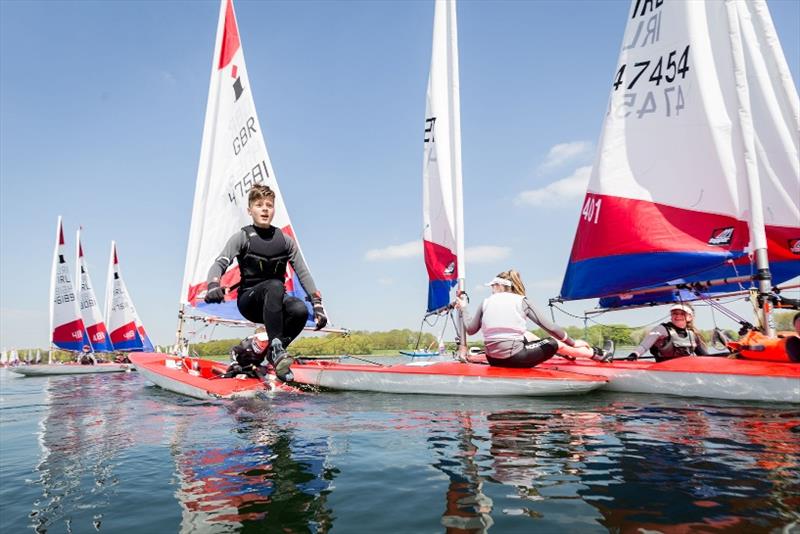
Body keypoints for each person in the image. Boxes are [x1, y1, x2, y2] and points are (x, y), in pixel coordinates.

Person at [204, 184, 326, 381]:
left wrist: (317, 304)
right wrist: (213, 286)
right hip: (249, 301)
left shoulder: (285, 241)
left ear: (274, 209)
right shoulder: (242, 237)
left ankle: (270, 352)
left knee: (299, 310)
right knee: (275, 285)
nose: (265, 209)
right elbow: (219, 263)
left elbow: (303, 271)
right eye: (259, 205)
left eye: (269, 205)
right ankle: (276, 349)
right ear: (249, 210)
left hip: (275, 301)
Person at [455, 270, 610, 368]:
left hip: (493, 359)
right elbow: (551, 328)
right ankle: (596, 354)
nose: (491, 289)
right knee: (553, 341)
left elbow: (470, 329)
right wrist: (574, 342)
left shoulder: (485, 302)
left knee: (527, 335)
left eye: (492, 286)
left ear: (499, 286)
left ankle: (568, 353)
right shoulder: (522, 301)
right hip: (514, 358)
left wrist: (464, 308)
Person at [626, 303, 710, 362]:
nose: (677, 316)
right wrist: (635, 354)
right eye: (674, 313)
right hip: (663, 369)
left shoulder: (692, 335)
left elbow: (705, 356)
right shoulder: (661, 329)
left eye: (682, 313)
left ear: (690, 317)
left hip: (684, 370)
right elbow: (644, 346)